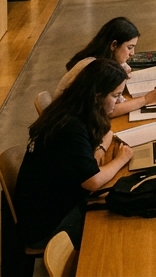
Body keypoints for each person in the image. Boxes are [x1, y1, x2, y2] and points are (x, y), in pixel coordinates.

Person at [14, 58, 132, 249]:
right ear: (96, 96)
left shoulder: (73, 106)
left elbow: (106, 131)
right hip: (47, 226)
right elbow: (92, 181)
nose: (119, 101)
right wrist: (121, 159)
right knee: (121, 228)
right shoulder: (69, 126)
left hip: (55, 206)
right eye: (115, 95)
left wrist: (100, 149)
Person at [56, 16, 156, 115]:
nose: (132, 53)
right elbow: (107, 111)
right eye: (129, 47)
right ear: (114, 45)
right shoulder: (95, 67)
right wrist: (146, 99)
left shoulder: (98, 60)